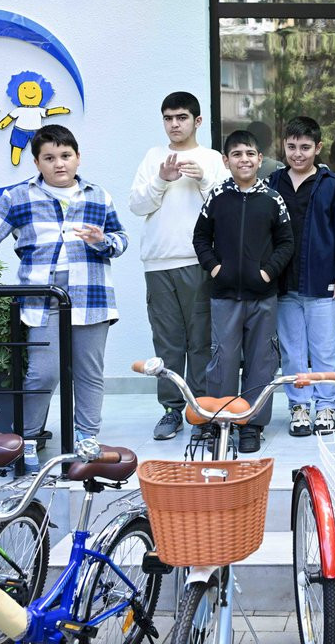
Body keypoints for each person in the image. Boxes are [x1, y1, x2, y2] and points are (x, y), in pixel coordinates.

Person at [0, 125, 127, 460]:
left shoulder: (98, 196)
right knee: (42, 374)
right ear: (36, 162)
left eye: (65, 155)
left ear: (78, 157)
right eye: (49, 158)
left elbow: (120, 239)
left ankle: (86, 441)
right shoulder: (18, 197)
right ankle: (27, 442)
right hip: (43, 303)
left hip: (92, 299)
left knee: (89, 373)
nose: (59, 163)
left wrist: (103, 241)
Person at [129, 91, 227, 440]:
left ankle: (200, 411)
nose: (174, 124)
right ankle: (171, 411)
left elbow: (227, 207)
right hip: (158, 262)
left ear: (197, 121)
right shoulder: (153, 156)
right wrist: (162, 179)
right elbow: (137, 205)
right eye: (168, 118)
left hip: (199, 261)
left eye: (182, 117)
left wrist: (203, 179)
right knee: (167, 342)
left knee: (201, 342)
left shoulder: (212, 159)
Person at [192, 129, 294, 453]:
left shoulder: (272, 199)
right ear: (226, 161)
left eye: (250, 153)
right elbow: (200, 238)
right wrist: (216, 268)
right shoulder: (217, 197)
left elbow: (286, 243)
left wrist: (267, 272)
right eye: (236, 154)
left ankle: (251, 425)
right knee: (223, 360)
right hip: (224, 296)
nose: (244, 159)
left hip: (263, 296)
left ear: (260, 159)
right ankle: (220, 421)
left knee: (261, 361)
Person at [267, 116, 335, 436]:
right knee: (292, 352)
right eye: (291, 147)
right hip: (285, 285)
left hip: (322, 283)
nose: (298, 154)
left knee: (325, 351)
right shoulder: (273, 184)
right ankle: (299, 407)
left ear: (318, 148)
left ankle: (326, 406)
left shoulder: (331, 185)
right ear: (284, 146)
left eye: (305, 147)